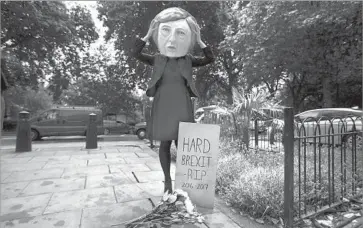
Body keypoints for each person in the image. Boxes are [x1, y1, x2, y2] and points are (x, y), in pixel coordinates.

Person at [131, 7, 215, 194]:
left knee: (184, 144)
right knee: (165, 144)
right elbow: (135, 53)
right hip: (163, 103)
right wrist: (147, 34)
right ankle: (167, 182)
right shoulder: (157, 59)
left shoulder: (188, 59)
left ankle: (185, 182)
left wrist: (200, 40)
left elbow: (210, 58)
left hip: (182, 104)